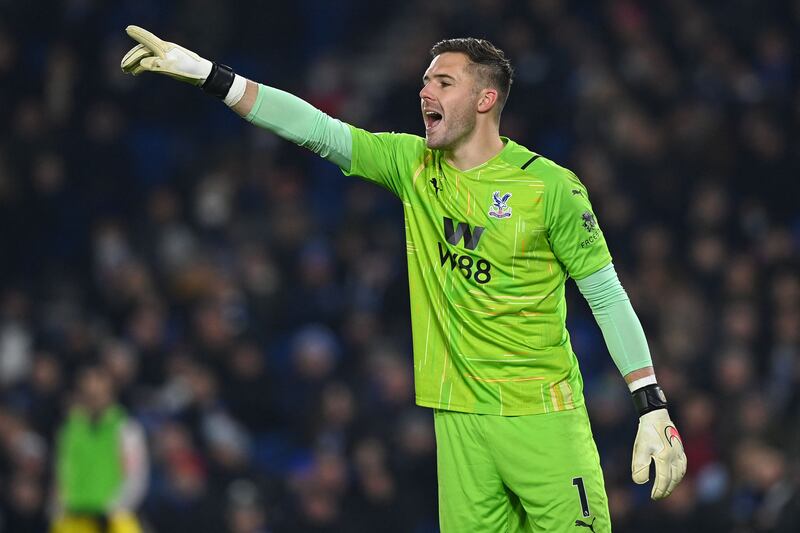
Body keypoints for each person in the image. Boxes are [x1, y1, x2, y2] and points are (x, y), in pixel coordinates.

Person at [120, 26, 687, 532]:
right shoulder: (410, 164)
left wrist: (651, 403)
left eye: (443, 82)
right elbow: (313, 128)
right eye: (424, 82)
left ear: (485, 99)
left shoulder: (551, 189)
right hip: (458, 419)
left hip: (539, 415)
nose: (425, 94)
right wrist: (205, 73)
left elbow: (606, 293)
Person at [51, 366, 148, 533]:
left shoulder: (125, 429)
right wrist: (57, 509)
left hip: (113, 521)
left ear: (110, 391)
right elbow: (61, 472)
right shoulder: (70, 429)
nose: (92, 397)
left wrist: (115, 508)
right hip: (75, 519)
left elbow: (135, 476)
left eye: (97, 391)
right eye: (87, 392)